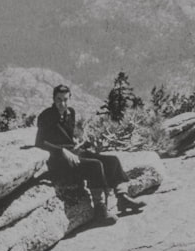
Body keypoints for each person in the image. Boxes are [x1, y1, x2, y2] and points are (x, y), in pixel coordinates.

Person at [35, 84, 145, 223]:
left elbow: (66, 136)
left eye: (65, 99)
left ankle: (122, 198)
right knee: (95, 165)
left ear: (70, 99)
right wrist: (62, 151)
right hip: (58, 159)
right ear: (53, 99)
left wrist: (76, 142)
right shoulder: (46, 116)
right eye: (58, 100)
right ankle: (100, 210)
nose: (62, 103)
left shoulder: (71, 113)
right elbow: (39, 142)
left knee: (113, 160)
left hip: (74, 152)